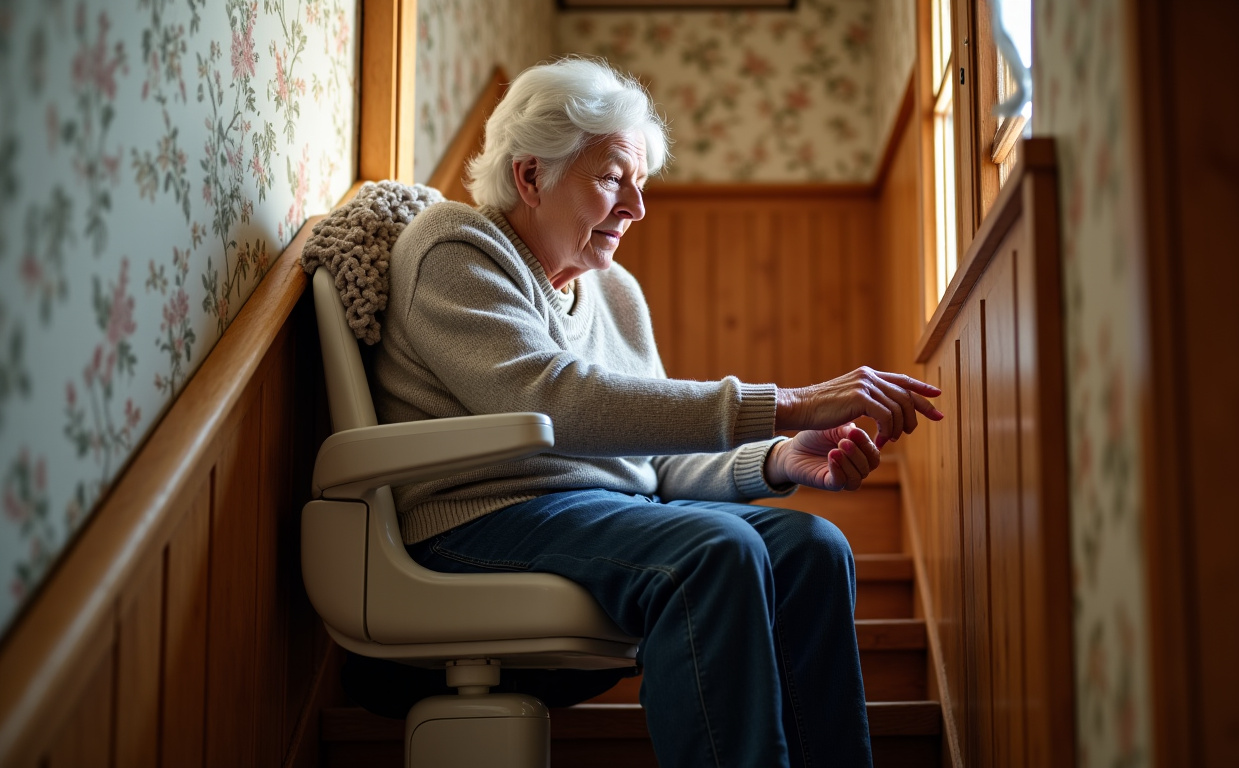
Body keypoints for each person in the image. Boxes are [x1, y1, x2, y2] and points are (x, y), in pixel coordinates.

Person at [374, 57, 943, 768]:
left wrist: (775, 458)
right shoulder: (454, 248)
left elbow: (654, 461)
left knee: (812, 547)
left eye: (640, 183)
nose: (636, 207)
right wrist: (789, 405)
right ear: (531, 176)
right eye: (613, 179)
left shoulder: (615, 292)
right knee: (715, 550)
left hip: (605, 513)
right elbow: (551, 399)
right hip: (477, 521)